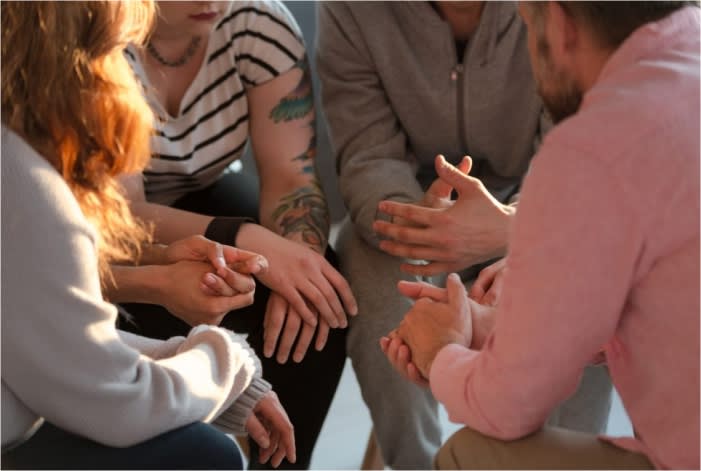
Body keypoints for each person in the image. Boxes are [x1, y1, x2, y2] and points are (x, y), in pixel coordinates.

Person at [383, 1, 700, 469]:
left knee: (469, 454)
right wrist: (508, 328)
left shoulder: (592, 148)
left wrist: (441, 353)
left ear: (558, 21)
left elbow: (506, 408)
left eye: (526, 26)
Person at [1, 1, 295, 469]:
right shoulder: (26, 190)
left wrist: (209, 368)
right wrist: (229, 358)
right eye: (121, 52)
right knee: (207, 457)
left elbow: (52, 335)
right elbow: (116, 402)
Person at [316, 2, 611, 467]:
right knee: (374, 286)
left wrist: (522, 231)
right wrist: (419, 220)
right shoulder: (349, 8)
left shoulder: (566, 11)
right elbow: (366, 154)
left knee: (586, 273)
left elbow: (576, 143)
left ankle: (567, 458)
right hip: (411, 206)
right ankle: (419, 462)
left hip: (541, 201)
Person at [115, 1, 357, 468]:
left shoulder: (258, 24)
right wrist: (248, 237)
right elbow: (122, 213)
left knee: (315, 296)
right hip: (107, 219)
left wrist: (297, 265)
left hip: (207, 189)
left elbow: (292, 178)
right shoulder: (99, 38)